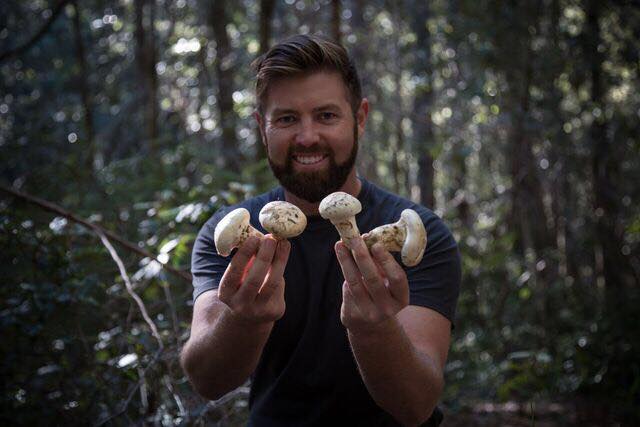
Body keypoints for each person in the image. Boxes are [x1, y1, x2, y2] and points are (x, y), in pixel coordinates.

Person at [181, 34, 461, 427]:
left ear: (360, 118)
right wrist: (244, 319)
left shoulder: (420, 232)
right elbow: (206, 379)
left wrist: (374, 329)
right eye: (287, 118)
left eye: (326, 115)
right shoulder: (227, 234)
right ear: (262, 127)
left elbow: (415, 405)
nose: (307, 136)